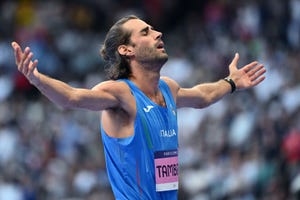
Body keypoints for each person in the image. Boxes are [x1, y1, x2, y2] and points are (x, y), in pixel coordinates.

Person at [12, 15, 266, 200]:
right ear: (126, 50)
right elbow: (72, 98)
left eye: (154, 29)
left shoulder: (169, 88)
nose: (157, 34)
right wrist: (36, 79)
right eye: (145, 32)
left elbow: (202, 96)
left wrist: (232, 82)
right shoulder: (121, 94)